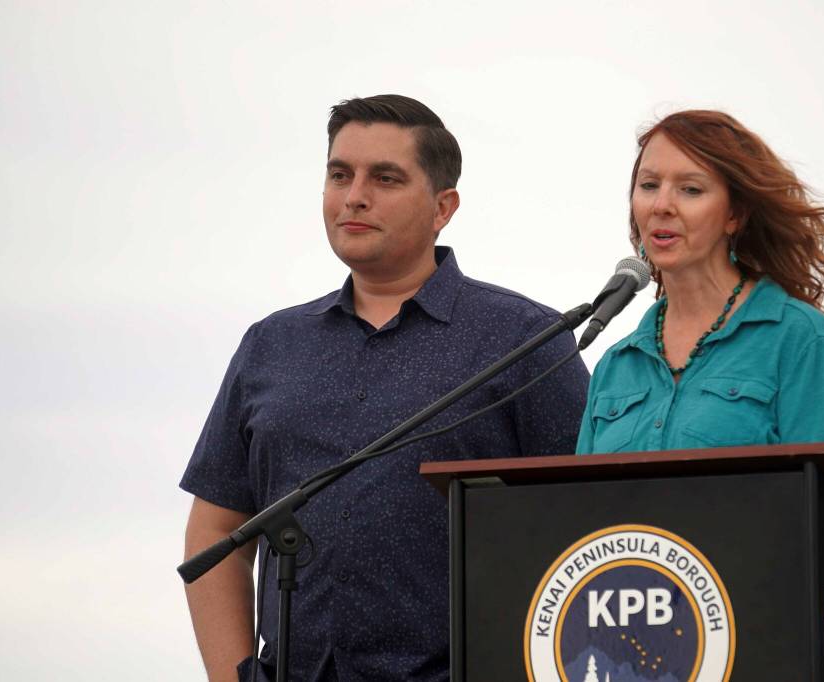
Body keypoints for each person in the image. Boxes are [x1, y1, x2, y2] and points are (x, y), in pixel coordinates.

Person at [181, 94, 590, 682]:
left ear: (443, 207)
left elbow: (587, 528)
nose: (355, 196)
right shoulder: (271, 345)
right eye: (339, 175)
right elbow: (216, 529)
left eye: (385, 178)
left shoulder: (525, 341)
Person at [575, 109, 824, 613]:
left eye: (690, 189)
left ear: (735, 215)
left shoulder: (796, 339)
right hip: (621, 640)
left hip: (749, 636)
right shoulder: (616, 366)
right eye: (649, 185)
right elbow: (576, 534)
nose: (662, 205)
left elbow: (821, 526)